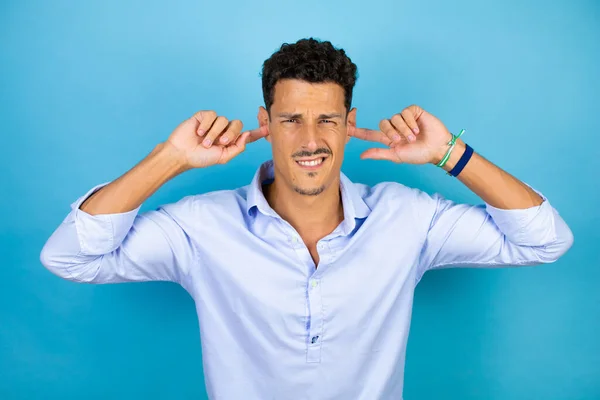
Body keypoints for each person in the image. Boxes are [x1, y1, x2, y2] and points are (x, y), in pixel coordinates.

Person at [40, 38, 574, 399]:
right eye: (291, 120)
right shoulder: (200, 228)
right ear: (264, 124)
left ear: (350, 125)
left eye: (327, 120)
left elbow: (543, 240)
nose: (311, 140)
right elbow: (69, 257)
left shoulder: (408, 219)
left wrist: (450, 155)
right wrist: (171, 158)